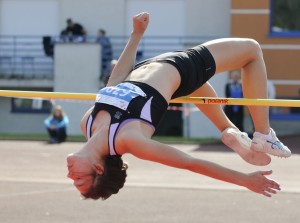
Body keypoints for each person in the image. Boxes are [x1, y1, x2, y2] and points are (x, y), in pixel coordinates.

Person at [67, 12, 291, 200]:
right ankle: (264, 135)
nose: (70, 176)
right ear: (98, 169)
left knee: (195, 87)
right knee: (252, 51)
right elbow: (189, 162)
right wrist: (245, 180)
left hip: (153, 68)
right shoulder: (129, 140)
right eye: (79, 179)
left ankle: (227, 129)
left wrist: (136, 34)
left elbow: (115, 81)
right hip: (179, 69)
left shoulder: (87, 124)